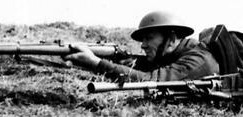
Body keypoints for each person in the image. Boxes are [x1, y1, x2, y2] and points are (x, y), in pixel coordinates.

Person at [63, 11, 219, 81]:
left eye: (149, 38)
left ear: (171, 38)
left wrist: (96, 63)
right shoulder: (174, 54)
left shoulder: (198, 60)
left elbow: (151, 80)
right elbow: (145, 67)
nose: (143, 45)